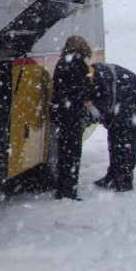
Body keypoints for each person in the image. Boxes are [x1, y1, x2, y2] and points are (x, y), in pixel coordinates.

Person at [90, 62, 136, 192]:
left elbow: (106, 103)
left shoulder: (104, 79)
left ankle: (124, 181)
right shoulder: (102, 76)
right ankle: (113, 176)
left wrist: (102, 118)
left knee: (126, 143)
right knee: (115, 140)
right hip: (129, 106)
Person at [50, 35, 93, 200]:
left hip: (60, 112)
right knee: (73, 153)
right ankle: (70, 190)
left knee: (63, 153)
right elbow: (81, 91)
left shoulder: (61, 62)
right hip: (72, 114)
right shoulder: (79, 64)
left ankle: (62, 188)